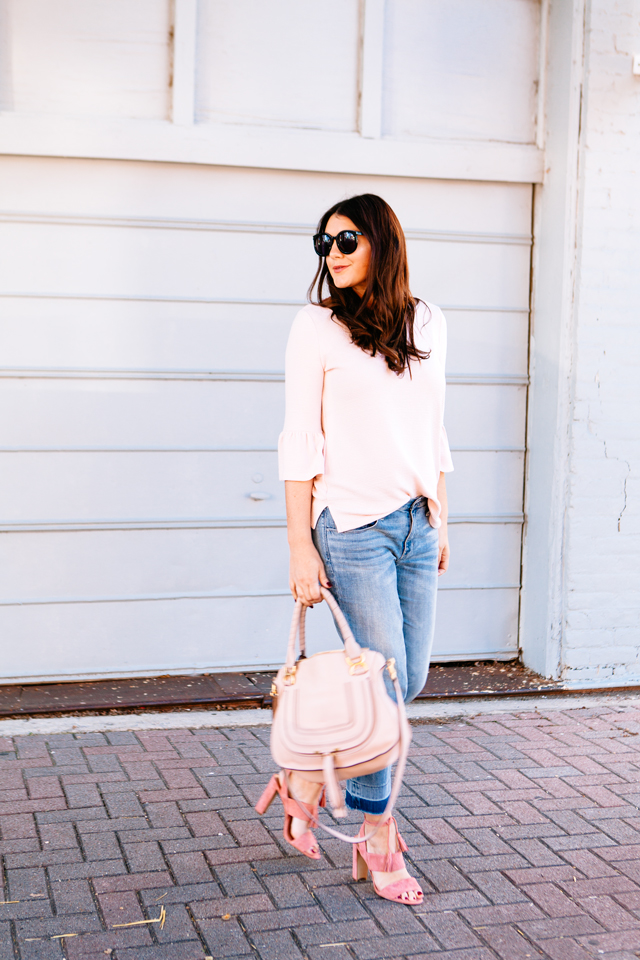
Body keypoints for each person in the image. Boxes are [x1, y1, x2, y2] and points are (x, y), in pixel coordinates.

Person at [259, 193, 453, 904]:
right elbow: (298, 439)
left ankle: (303, 780)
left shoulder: (427, 320)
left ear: (381, 242)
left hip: (415, 520)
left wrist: (441, 513)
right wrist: (298, 546)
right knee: (383, 683)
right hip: (351, 528)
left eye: (346, 240)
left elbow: (432, 427)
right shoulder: (314, 328)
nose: (332, 254)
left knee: (411, 678)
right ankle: (377, 835)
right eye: (324, 243)